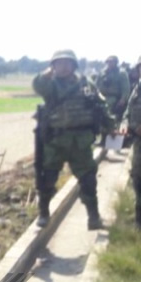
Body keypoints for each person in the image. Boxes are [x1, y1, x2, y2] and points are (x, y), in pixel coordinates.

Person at [33, 49, 116, 230]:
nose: (63, 67)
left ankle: (93, 217)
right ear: (53, 66)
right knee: (47, 179)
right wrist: (48, 72)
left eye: (67, 63)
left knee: (88, 179)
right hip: (55, 141)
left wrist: (111, 127)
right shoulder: (51, 85)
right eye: (58, 63)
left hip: (81, 142)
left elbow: (101, 105)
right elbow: (37, 85)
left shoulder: (86, 84)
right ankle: (44, 212)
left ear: (74, 65)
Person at [125, 68, 141, 228]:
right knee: (137, 177)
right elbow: (127, 113)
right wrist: (127, 125)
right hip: (139, 142)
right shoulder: (137, 89)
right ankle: (139, 219)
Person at [96, 55, 130, 122]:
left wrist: (123, 99)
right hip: (101, 97)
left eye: (112, 62)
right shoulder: (102, 72)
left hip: (114, 98)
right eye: (108, 62)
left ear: (116, 63)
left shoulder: (121, 73)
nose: (109, 64)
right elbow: (96, 85)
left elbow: (126, 88)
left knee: (110, 114)